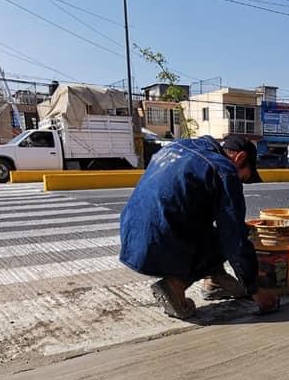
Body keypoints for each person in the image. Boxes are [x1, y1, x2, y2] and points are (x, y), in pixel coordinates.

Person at [119, 135, 279, 320]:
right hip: (160, 240)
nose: (240, 182)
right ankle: (175, 285)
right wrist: (255, 289)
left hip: (131, 236)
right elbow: (234, 236)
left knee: (210, 226)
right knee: (234, 234)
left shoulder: (177, 146)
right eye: (244, 178)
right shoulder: (224, 170)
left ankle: (216, 281)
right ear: (240, 158)